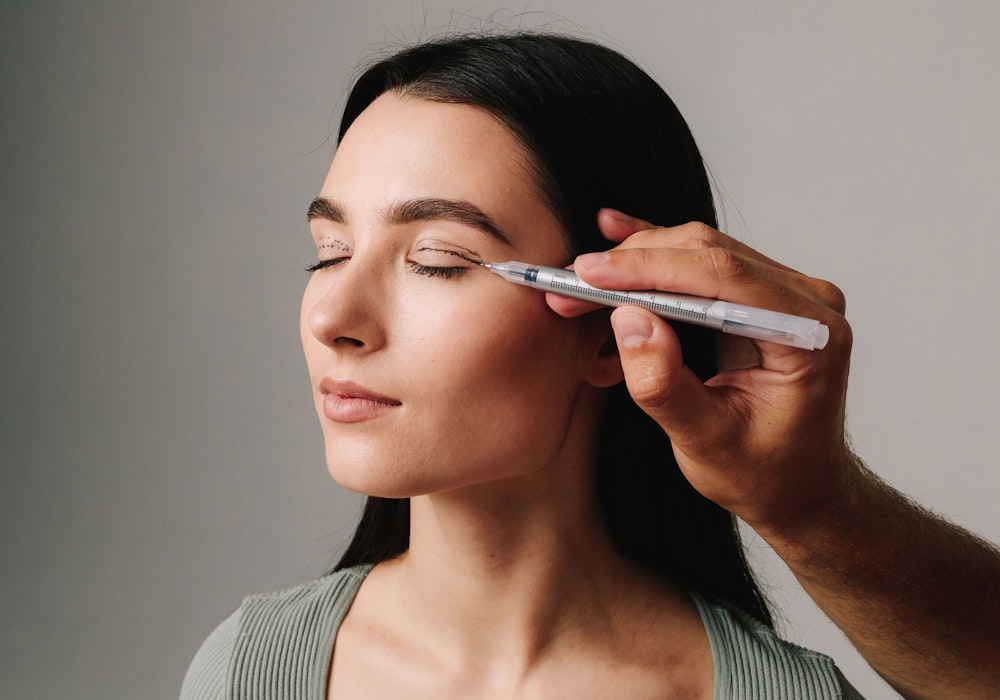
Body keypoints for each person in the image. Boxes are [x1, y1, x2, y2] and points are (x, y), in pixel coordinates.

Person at [180, 32, 1000, 699]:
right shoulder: (250, 668)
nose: (331, 317)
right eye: (329, 252)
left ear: (612, 333)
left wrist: (818, 503)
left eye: (435, 260)